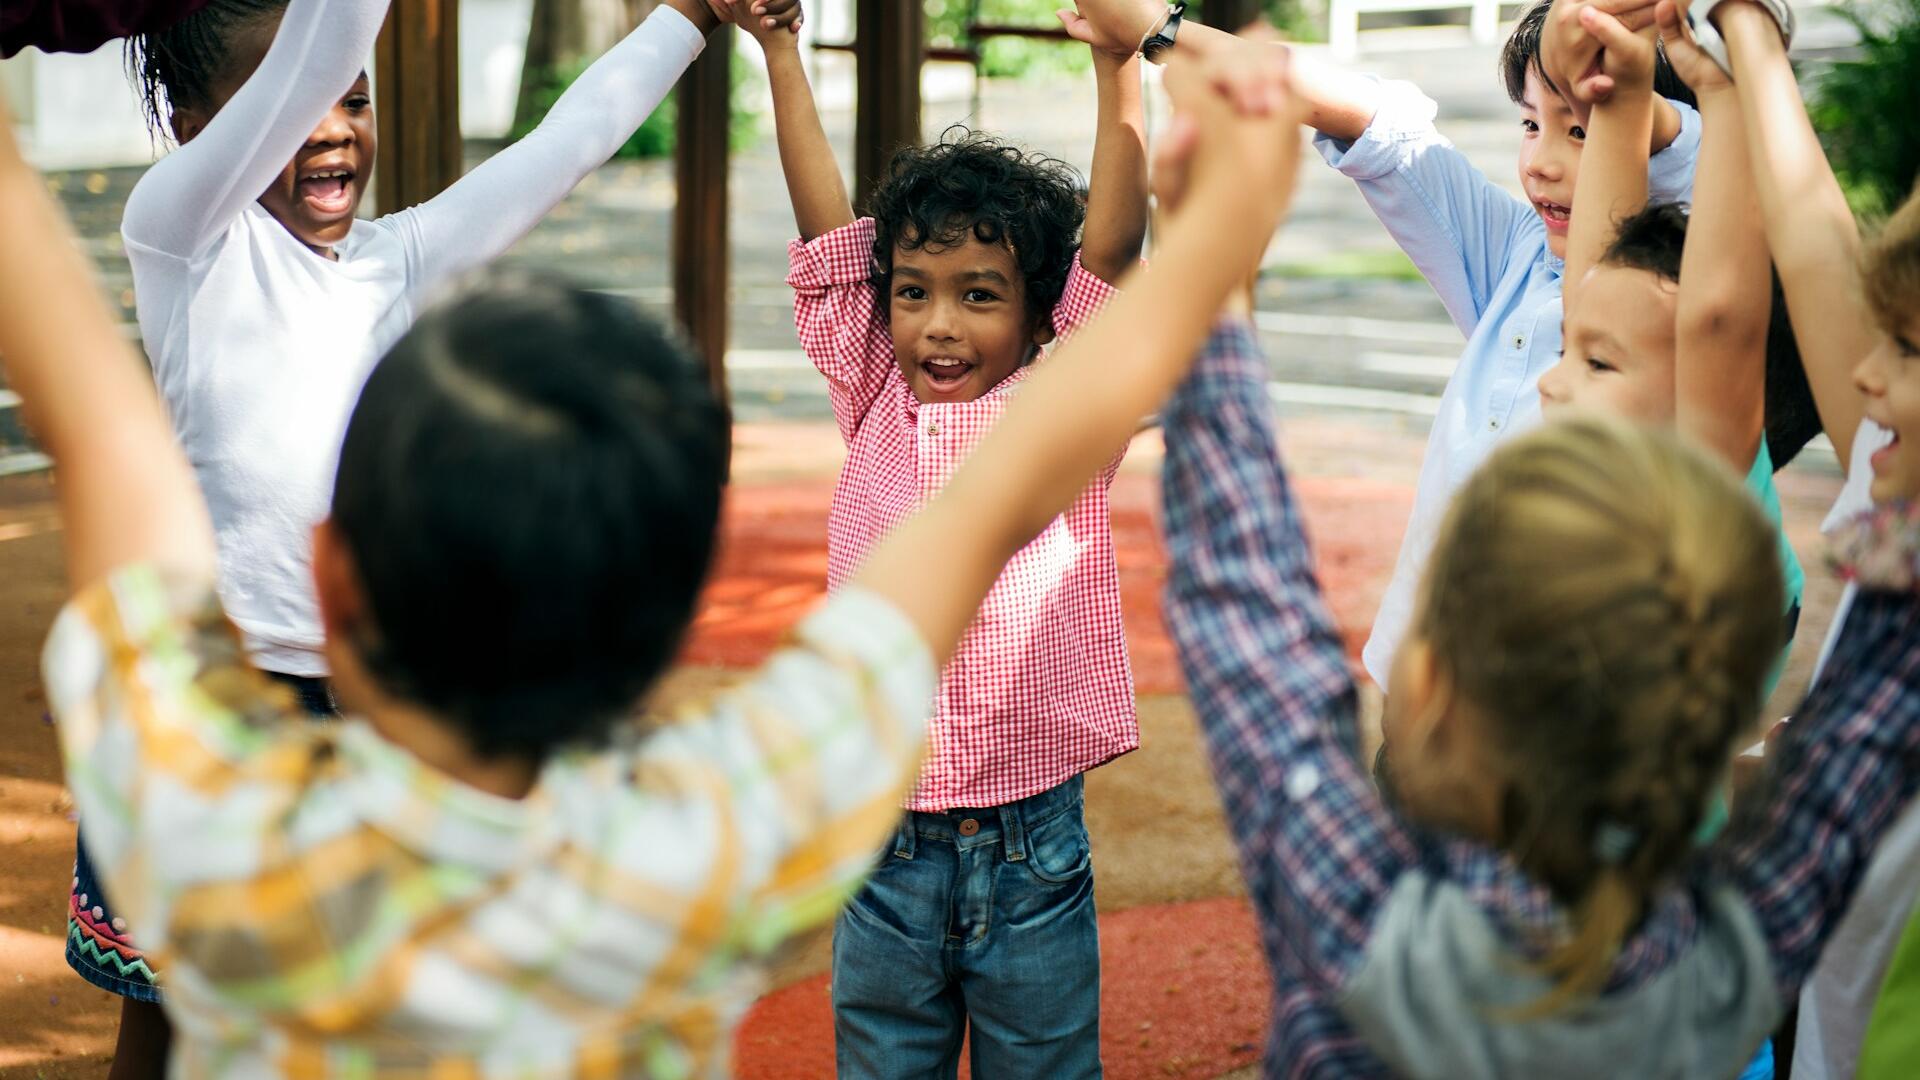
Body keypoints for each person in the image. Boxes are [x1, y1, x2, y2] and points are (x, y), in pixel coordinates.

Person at [0, 41, 1305, 1077]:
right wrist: (1229, 215)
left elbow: (115, 452)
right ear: (668, 618)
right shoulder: (697, 832)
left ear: (333, 580)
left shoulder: (213, 807)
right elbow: (988, 505)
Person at [66, 0, 800, 1069]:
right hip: (213, 705)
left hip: (375, 706)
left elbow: (569, 145)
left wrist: (689, 12)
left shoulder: (395, 261)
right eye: (294, 108)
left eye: (356, 100)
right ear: (195, 127)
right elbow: (315, 47)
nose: (330, 127)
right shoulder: (180, 238)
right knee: (176, 1007)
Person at [1154, 198, 1920, 1080]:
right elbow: (1866, 728)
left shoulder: (1357, 919)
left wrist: (1212, 250)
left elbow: (1249, 612)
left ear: (1430, 688)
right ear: (1713, 733)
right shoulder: (1723, 966)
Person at [735, 0, 1149, 1071]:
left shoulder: (1067, 411)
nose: (939, 325)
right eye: (912, 294)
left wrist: (1118, 66)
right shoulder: (874, 392)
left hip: (1030, 845)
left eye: (978, 296)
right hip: (884, 837)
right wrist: (780, 46)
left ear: (1041, 311)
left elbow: (1113, 241)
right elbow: (830, 232)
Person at [1062, 0, 1701, 693]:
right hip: (1421, 697)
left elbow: (1683, 159)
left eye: (1580, 129)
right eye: (1530, 122)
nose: (1542, 162)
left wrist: (1623, 89)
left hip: (1546, 726)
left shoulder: (1683, 299)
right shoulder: (1516, 256)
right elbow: (1380, 128)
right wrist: (1159, 31)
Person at [1668, 0, 1920, 1072]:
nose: (1866, 379)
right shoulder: (1902, 512)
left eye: (1907, 349)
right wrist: (1741, 43)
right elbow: (1821, 245)